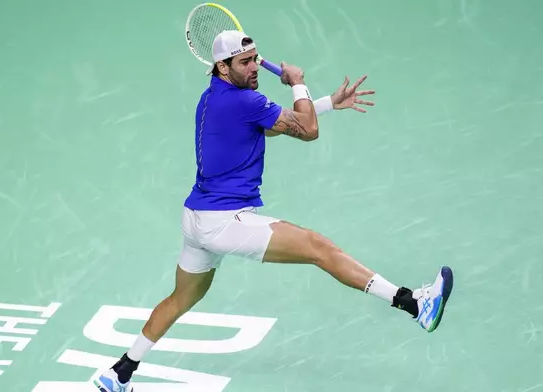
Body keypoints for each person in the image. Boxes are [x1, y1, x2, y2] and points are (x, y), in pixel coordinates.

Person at [94, 30, 454, 392]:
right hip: (225, 222)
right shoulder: (246, 103)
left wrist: (326, 101)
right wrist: (298, 83)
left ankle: (119, 372)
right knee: (319, 248)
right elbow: (307, 130)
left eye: (255, 59)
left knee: (180, 299)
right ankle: (413, 304)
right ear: (222, 66)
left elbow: (271, 126)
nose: (254, 68)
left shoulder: (213, 100)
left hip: (196, 219)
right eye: (245, 63)